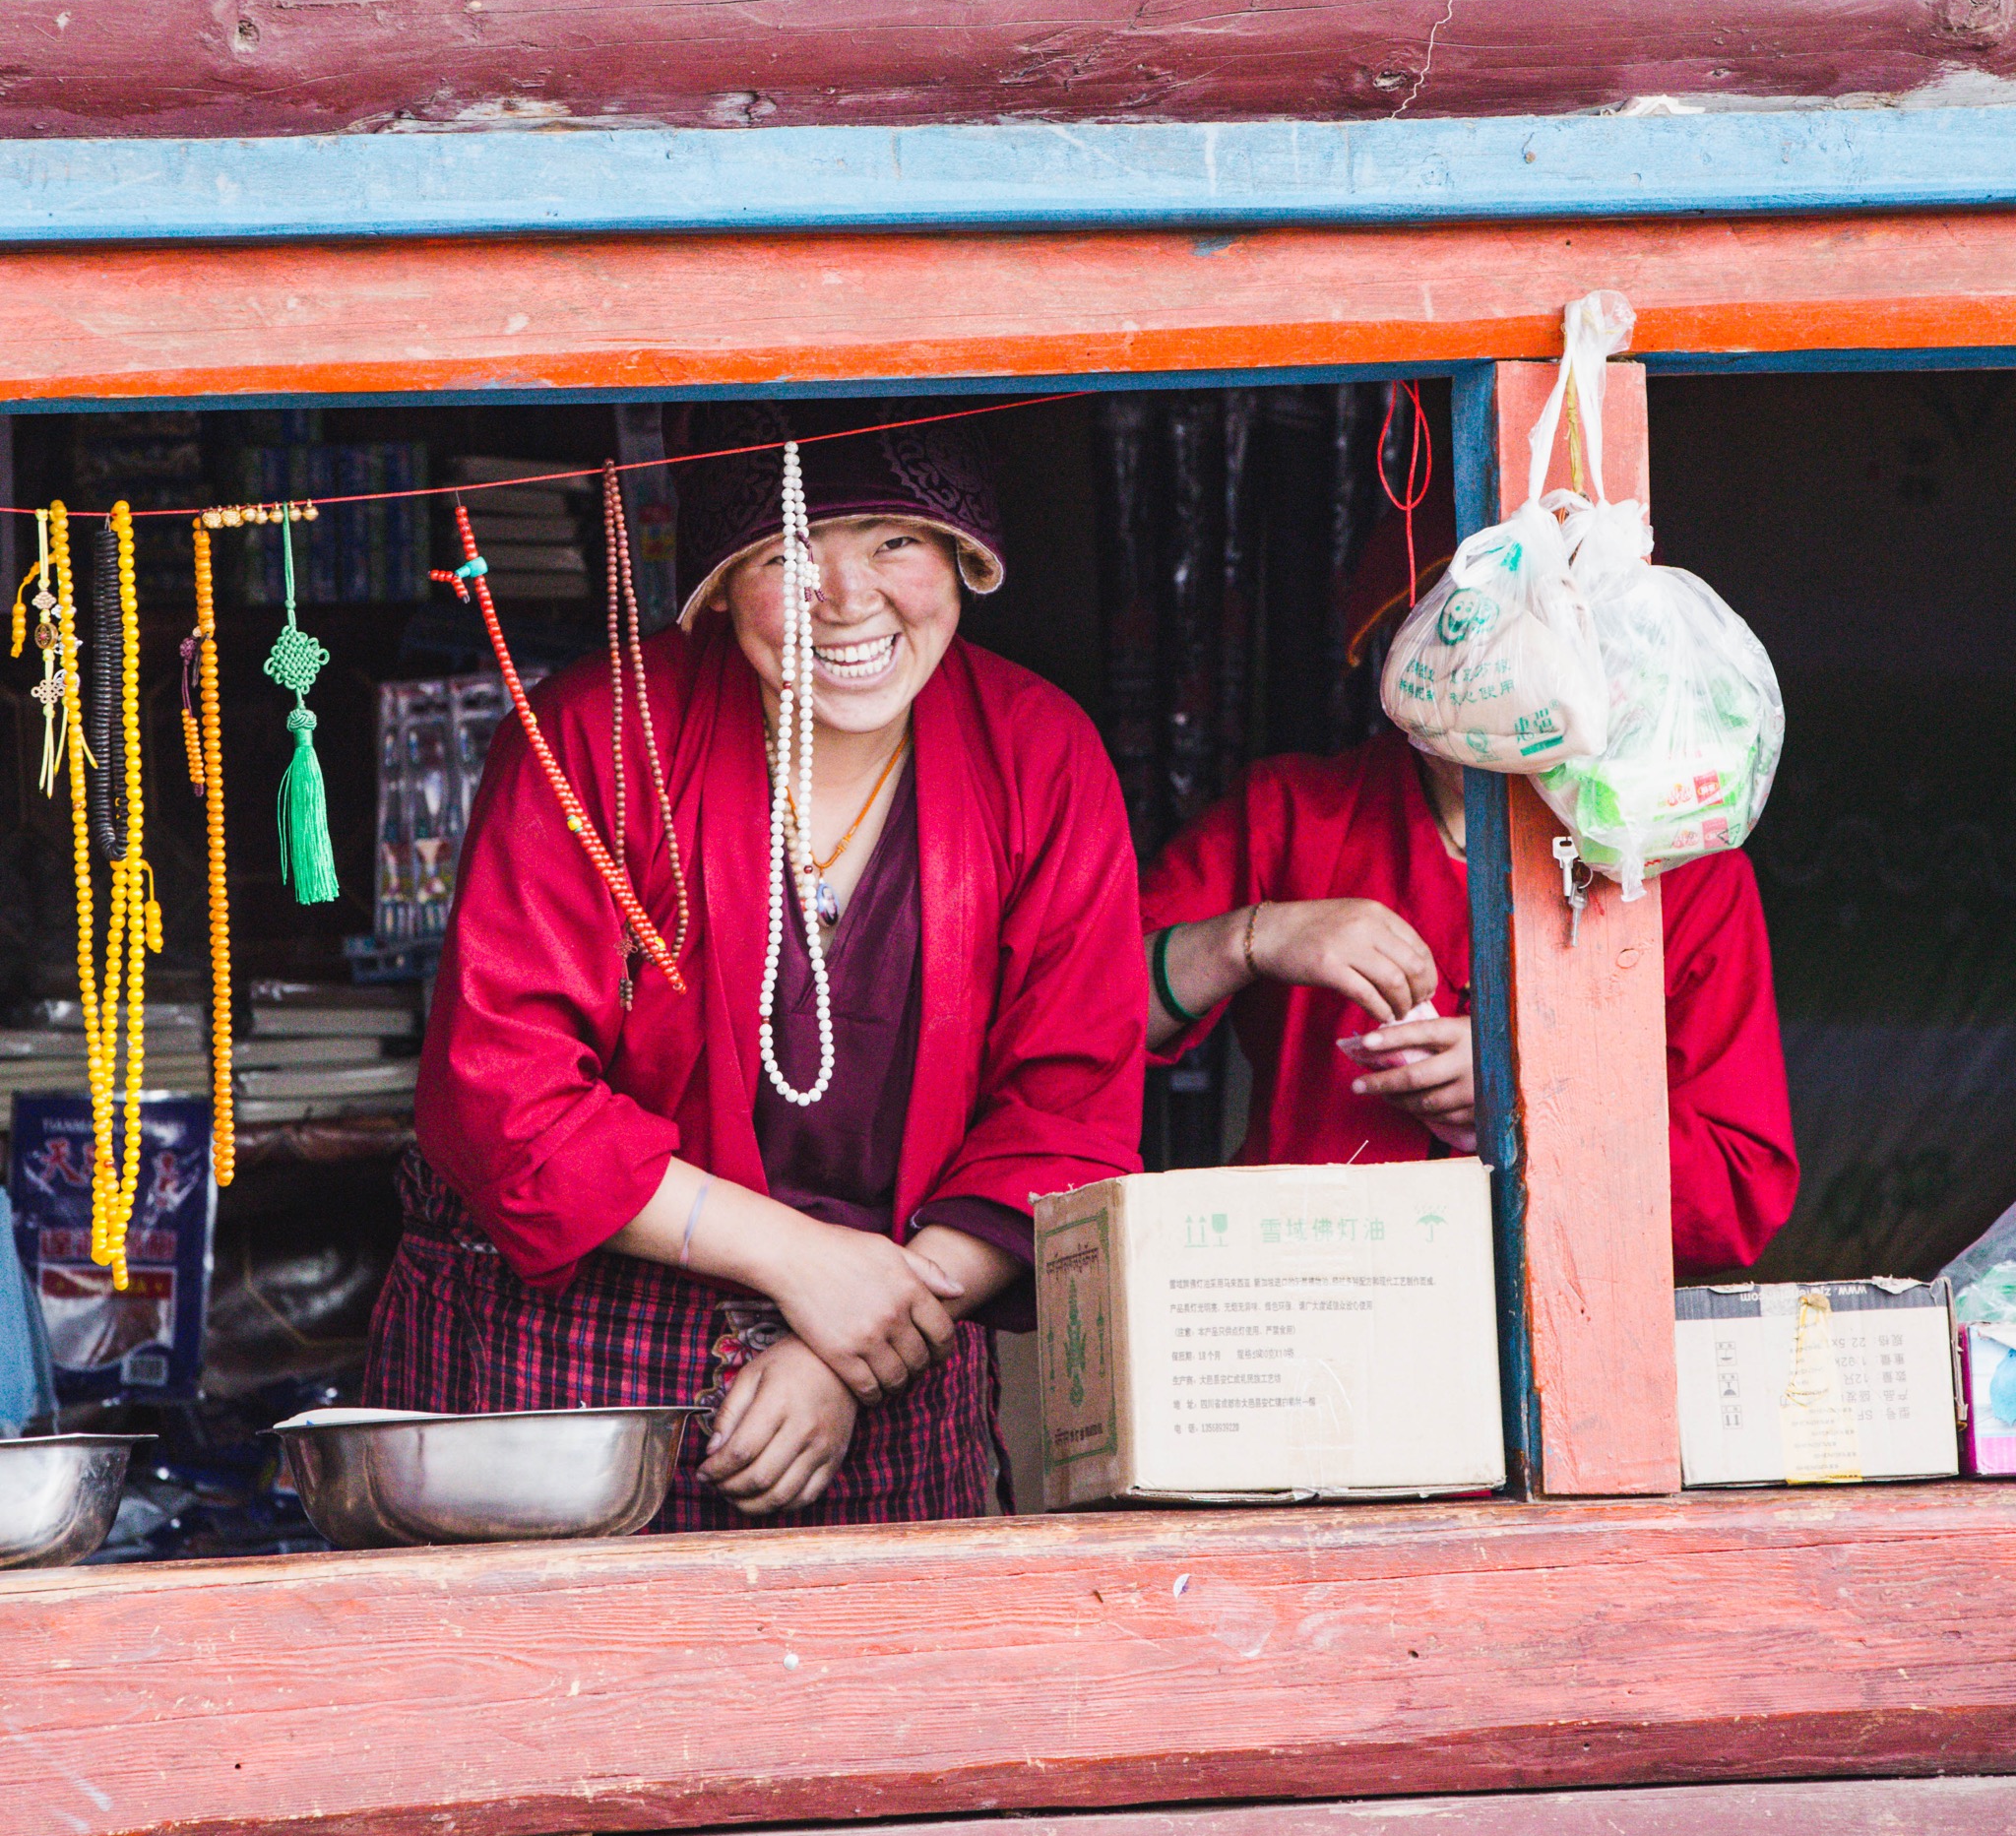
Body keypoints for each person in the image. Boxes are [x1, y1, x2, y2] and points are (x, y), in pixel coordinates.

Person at [366, 413, 1145, 1522]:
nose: (848, 598)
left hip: (891, 1358)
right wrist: (802, 1263)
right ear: (719, 587)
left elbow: (1066, 1114)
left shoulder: (1038, 756)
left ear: (966, 558)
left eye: (895, 541)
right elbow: (505, 1092)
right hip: (570, 1366)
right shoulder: (598, 735)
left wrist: (848, 1343)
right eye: (788, 553)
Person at [1140, 490, 1797, 1275]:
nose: (1480, 679)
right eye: (1455, 636)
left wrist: (1529, 1100)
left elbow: (1737, 1193)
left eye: (1528, 645)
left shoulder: (1679, 867)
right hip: (1308, 1298)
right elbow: (1081, 1024)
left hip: (1563, 1320)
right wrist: (1253, 937)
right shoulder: (1292, 813)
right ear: (1401, 646)